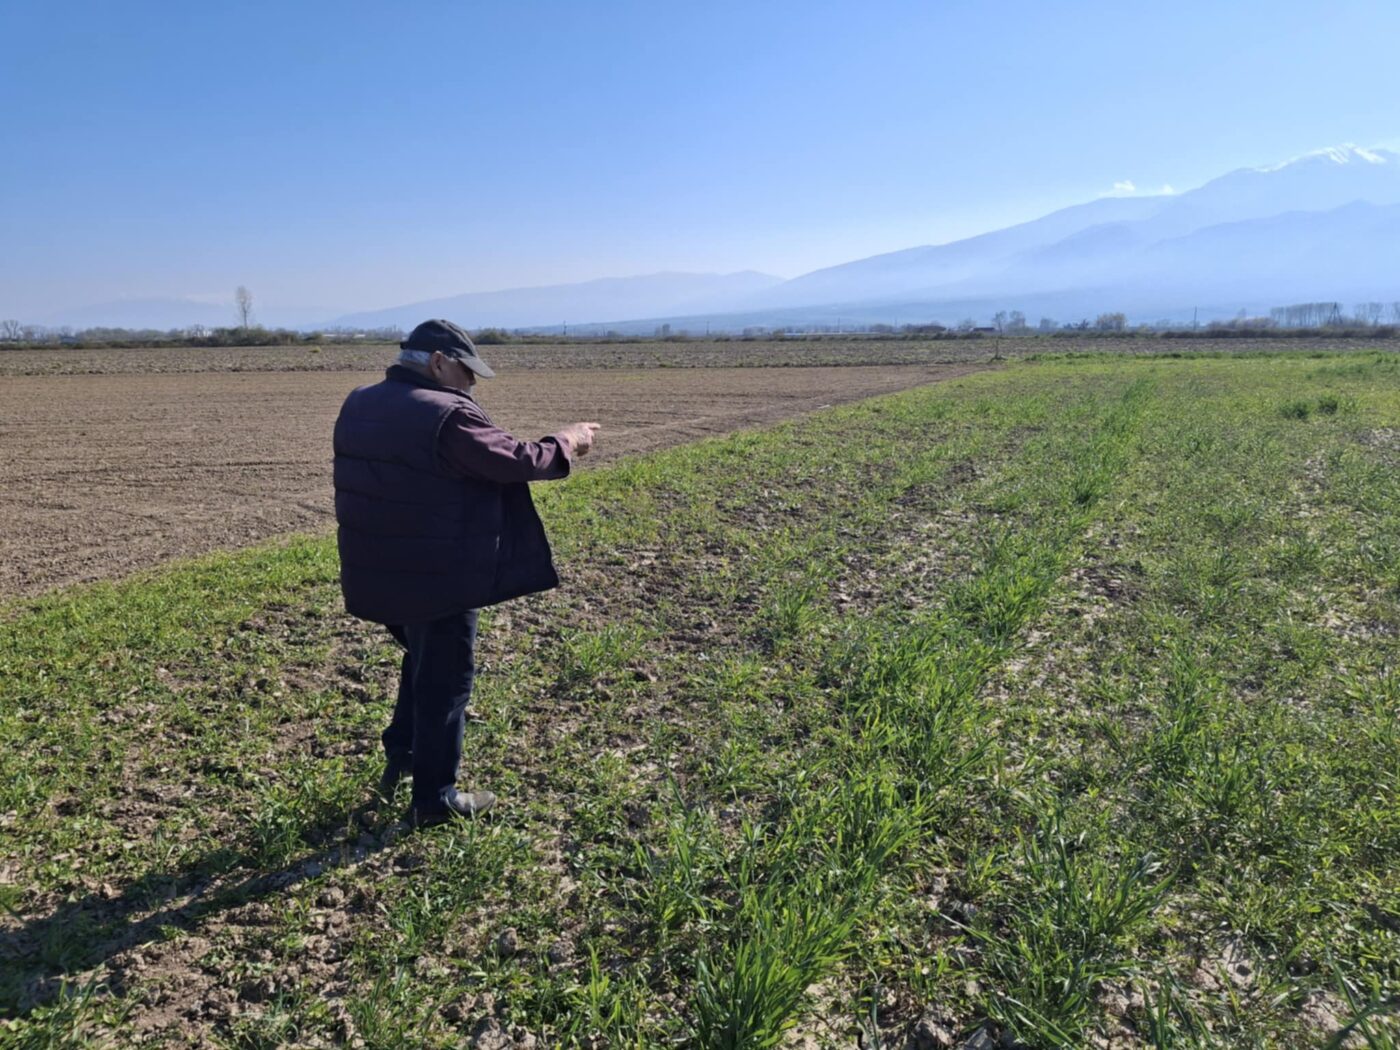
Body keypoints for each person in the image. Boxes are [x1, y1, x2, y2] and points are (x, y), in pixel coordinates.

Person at [332, 319, 599, 827]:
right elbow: (514, 460)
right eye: (467, 372)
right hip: (437, 573)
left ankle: (404, 759)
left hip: (381, 567)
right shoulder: (444, 414)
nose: (472, 384)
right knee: (447, 680)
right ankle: (435, 799)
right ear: (437, 363)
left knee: (422, 661)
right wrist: (567, 441)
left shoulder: (359, 402)